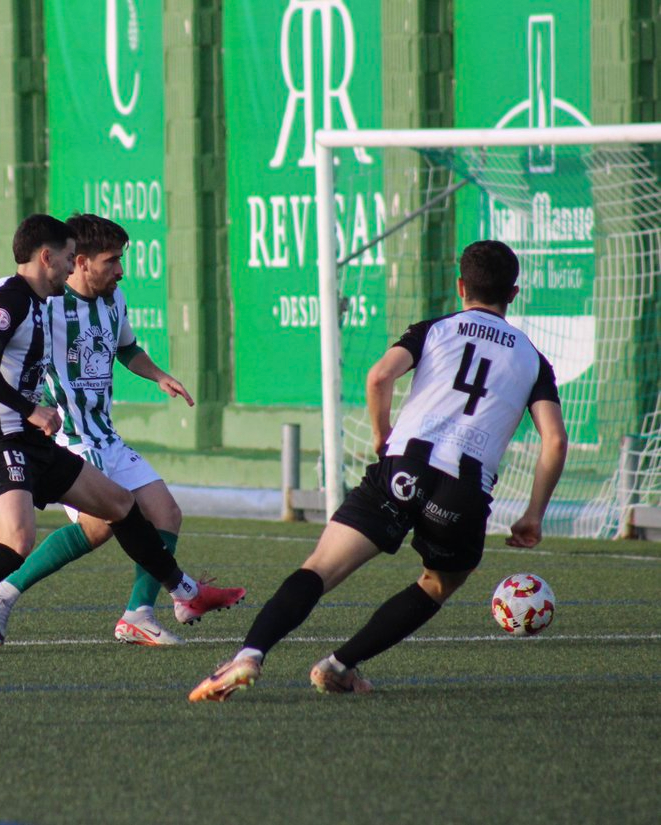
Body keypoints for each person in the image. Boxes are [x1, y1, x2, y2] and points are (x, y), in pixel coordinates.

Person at [189, 240, 568, 701]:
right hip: (462, 492)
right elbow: (554, 439)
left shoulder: (435, 329)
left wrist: (380, 433)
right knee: (437, 583)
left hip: (402, 468)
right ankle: (339, 666)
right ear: (514, 293)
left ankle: (249, 655)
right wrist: (533, 514)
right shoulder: (532, 359)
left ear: (460, 286)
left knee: (320, 568)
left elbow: (379, 376)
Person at [0, 214, 245, 657]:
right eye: (70, 258)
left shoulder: (63, 298)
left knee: (130, 508)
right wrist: (28, 404)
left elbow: (4, 344)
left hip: (52, 437)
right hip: (7, 437)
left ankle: (175, 595)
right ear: (61, 259)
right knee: (25, 541)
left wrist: (157, 375)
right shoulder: (23, 297)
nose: (118, 270)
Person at [0, 214, 195, 647]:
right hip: (66, 435)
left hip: (105, 434)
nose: (120, 270)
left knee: (166, 513)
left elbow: (127, 348)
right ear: (81, 262)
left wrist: (158, 375)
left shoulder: (115, 300)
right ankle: (3, 592)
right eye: (111, 261)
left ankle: (139, 614)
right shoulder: (43, 301)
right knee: (101, 523)